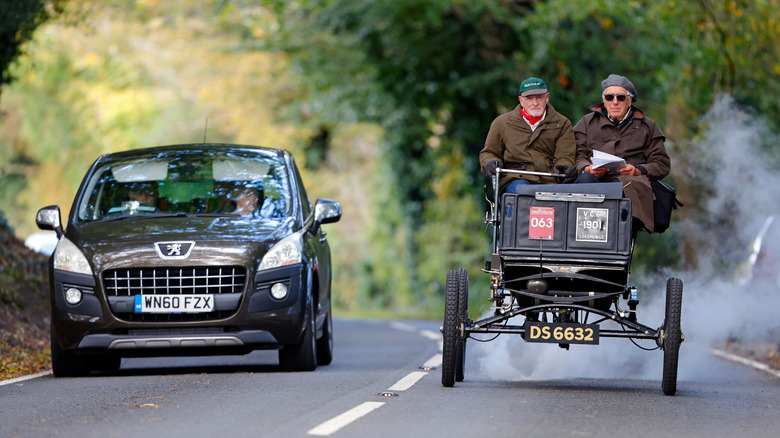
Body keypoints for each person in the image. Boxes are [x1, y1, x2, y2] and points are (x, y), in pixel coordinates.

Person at [573, 74, 671, 232]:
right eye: (610, 97)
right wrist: (586, 168)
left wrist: (638, 169)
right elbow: (576, 155)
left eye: (620, 97)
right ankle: (582, 234)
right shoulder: (587, 122)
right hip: (593, 180)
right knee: (584, 180)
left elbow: (662, 165)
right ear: (603, 99)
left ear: (629, 100)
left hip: (630, 184)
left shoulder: (648, 127)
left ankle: (615, 237)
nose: (615, 102)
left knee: (621, 188)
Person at [479, 77, 577, 193]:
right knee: (523, 192)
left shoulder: (562, 124)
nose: (535, 103)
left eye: (539, 98)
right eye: (529, 98)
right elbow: (489, 152)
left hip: (550, 182)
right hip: (515, 180)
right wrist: (490, 162)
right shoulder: (502, 123)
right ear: (521, 100)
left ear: (547, 98)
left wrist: (566, 168)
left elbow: (565, 157)